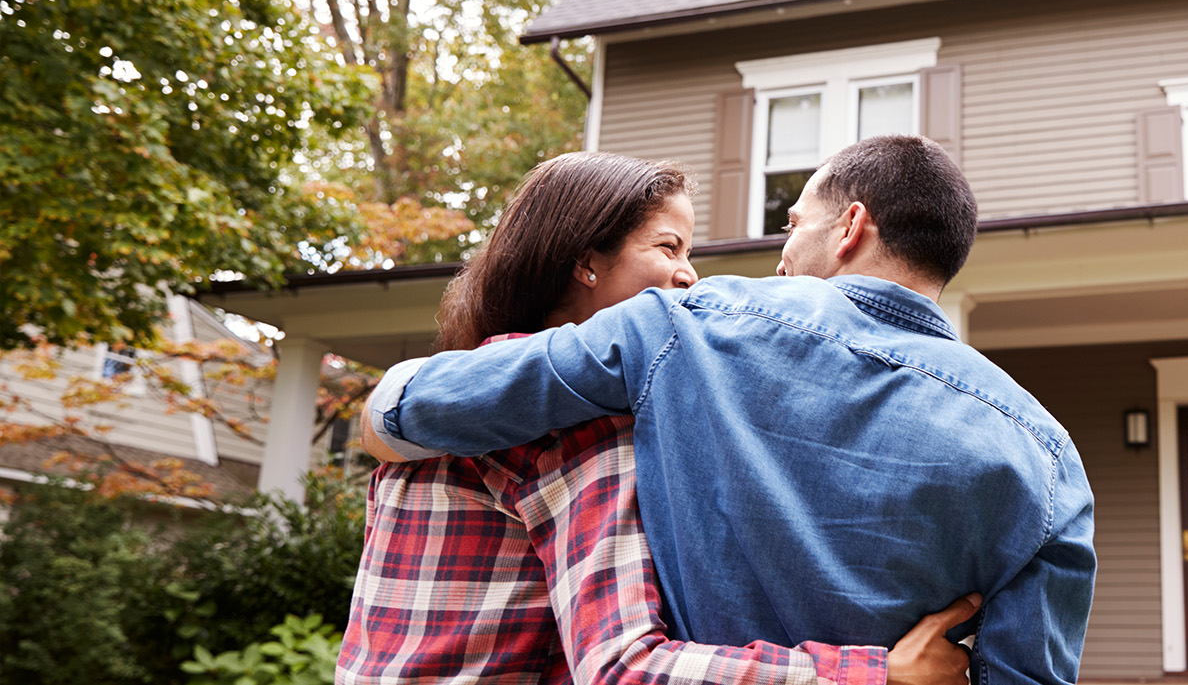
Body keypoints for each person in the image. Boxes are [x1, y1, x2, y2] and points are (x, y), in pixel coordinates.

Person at [363, 137, 1096, 685]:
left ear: (849, 228)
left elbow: (421, 404)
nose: (778, 258)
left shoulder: (682, 325)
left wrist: (384, 407)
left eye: (792, 227)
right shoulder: (1050, 455)